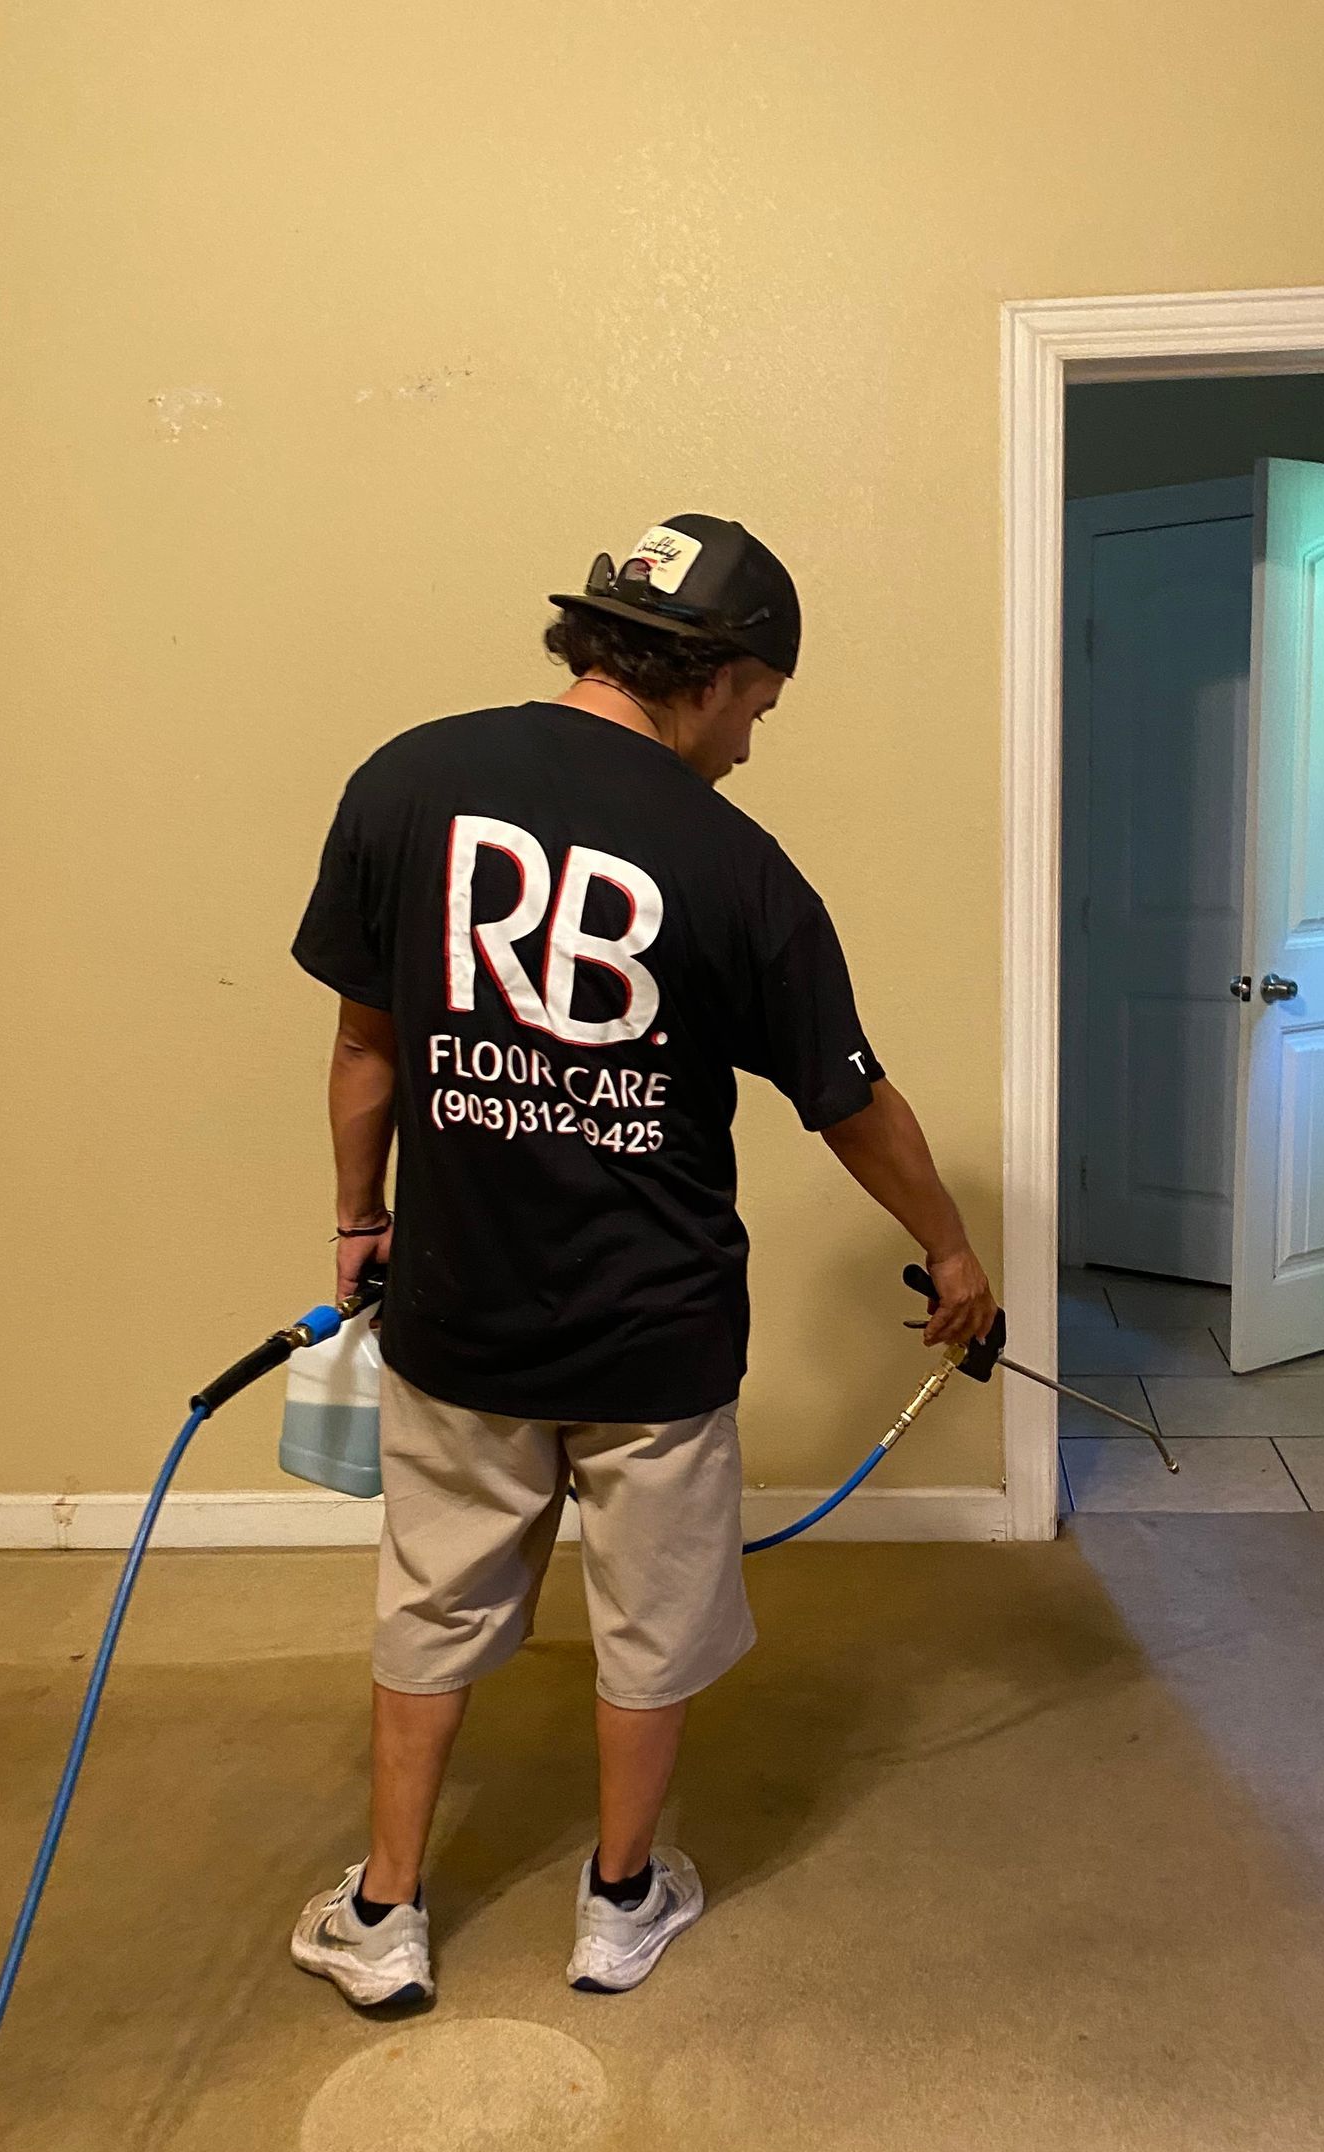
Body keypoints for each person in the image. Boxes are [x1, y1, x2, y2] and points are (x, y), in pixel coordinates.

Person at [286, 513, 996, 2013]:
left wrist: (363, 1223)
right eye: (756, 709)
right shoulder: (733, 864)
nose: (748, 745)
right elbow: (849, 1099)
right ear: (717, 673)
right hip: (654, 1329)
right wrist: (948, 1249)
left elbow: (366, 1045)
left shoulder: (407, 782)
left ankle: (385, 1910)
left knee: (433, 1604)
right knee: (652, 1616)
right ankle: (619, 1904)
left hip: (457, 1307)